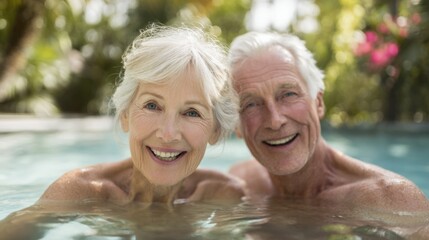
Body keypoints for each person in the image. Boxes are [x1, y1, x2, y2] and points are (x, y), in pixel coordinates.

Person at [39, 25, 244, 205]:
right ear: (125, 114)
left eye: (192, 112)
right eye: (152, 106)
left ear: (216, 130)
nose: (168, 133)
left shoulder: (224, 196)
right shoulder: (77, 194)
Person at [227, 31, 429, 212]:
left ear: (319, 103)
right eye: (251, 104)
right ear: (237, 125)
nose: (275, 120)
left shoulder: (390, 201)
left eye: (288, 94)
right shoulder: (241, 184)